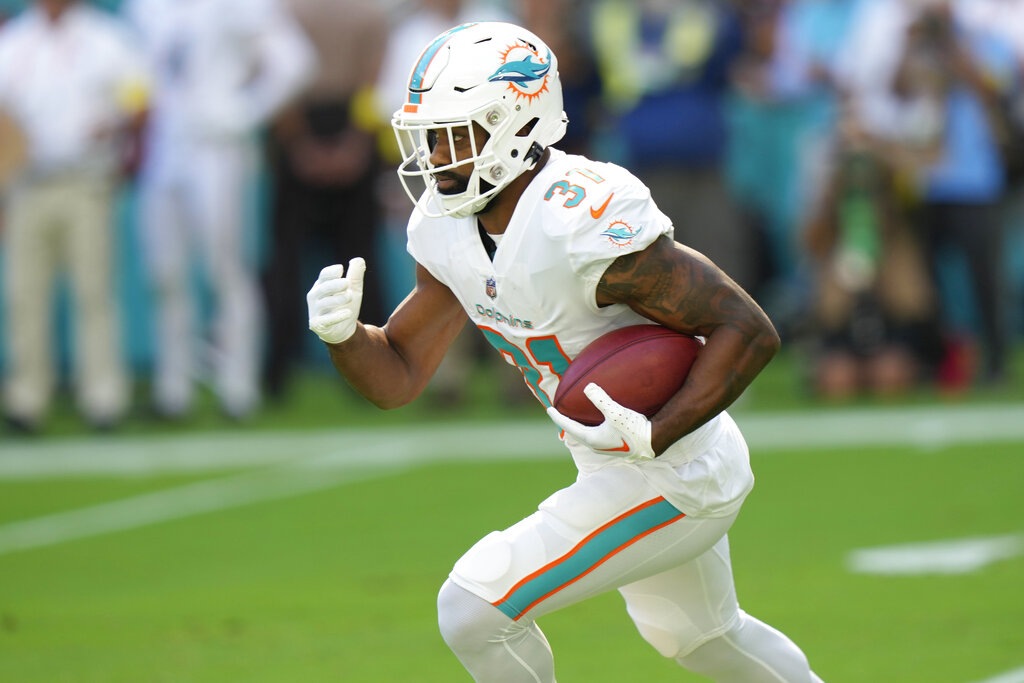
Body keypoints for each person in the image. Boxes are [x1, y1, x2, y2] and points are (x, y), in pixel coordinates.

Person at [307, 22, 825, 682]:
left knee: (473, 608)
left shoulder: (579, 218)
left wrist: (658, 431)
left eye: (455, 133)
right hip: (614, 463)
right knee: (703, 638)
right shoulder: (445, 226)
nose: (436, 154)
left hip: (671, 469)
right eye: (429, 135)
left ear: (518, 125)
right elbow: (399, 375)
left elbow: (748, 328)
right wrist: (345, 336)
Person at [122, 0, 315, 420]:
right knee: (164, 272)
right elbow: (140, 68)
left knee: (223, 266)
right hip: (164, 147)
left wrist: (245, 110)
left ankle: (237, 386)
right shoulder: (146, 8)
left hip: (216, 147)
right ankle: (173, 389)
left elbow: (294, 60)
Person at [0, 0, 148, 434]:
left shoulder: (105, 38)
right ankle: (27, 399)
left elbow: (139, 95)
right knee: (25, 296)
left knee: (93, 291)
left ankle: (102, 398)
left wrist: (119, 124)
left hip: (87, 181)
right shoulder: (14, 42)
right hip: (28, 185)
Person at [261, 0, 389, 401]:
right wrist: (350, 143)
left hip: (319, 125)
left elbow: (373, 79)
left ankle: (283, 376)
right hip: (318, 125)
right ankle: (286, 370)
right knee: (347, 262)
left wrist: (309, 144)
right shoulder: (286, 11)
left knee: (355, 261)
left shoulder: (282, 10)